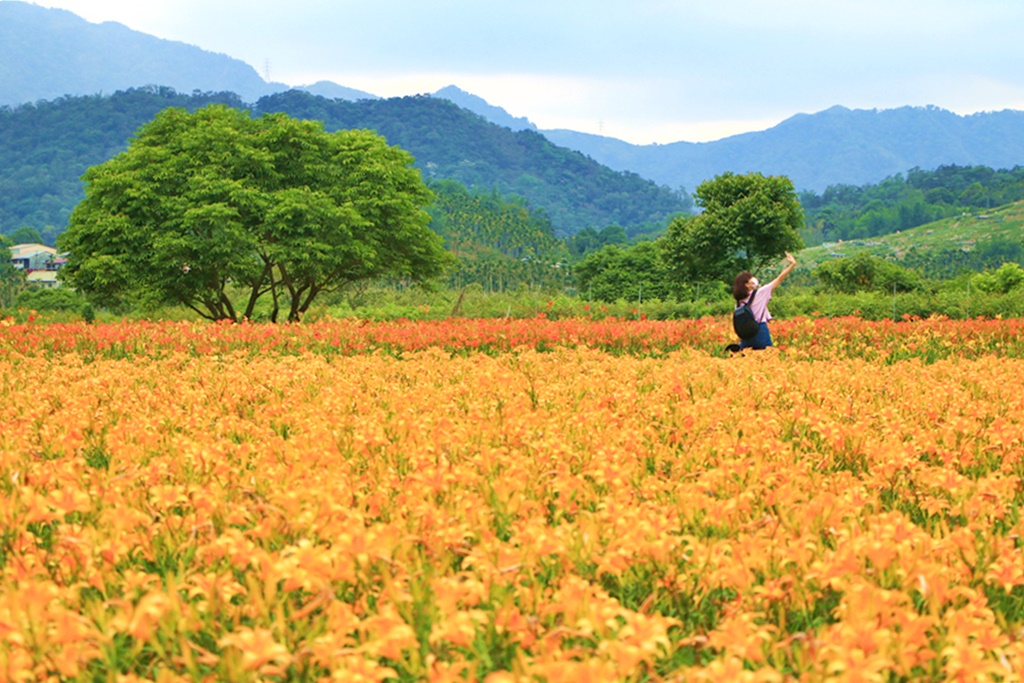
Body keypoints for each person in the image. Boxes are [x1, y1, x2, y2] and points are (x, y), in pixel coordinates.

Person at [731, 251, 797, 350]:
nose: (753, 282)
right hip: (760, 331)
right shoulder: (759, 294)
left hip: (745, 337)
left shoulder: (738, 303)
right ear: (746, 284)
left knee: (747, 362)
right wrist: (792, 264)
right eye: (751, 280)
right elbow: (779, 279)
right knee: (768, 358)